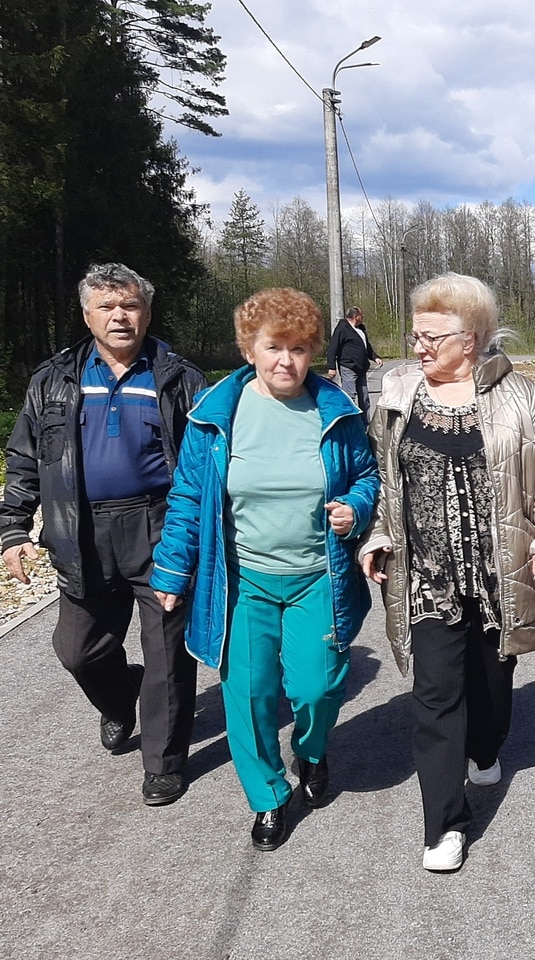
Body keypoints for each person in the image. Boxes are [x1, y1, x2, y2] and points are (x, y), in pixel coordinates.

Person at [358, 272, 535, 872]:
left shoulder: (519, 398)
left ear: (471, 339)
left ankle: (486, 747)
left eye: (434, 336)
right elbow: (384, 485)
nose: (420, 346)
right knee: (434, 697)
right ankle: (444, 825)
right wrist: (377, 535)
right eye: (416, 334)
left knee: (490, 693)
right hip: (426, 580)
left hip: (497, 580)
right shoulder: (397, 399)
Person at [150, 287, 379, 851]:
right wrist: (172, 572)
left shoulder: (337, 413)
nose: (286, 360)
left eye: (299, 348)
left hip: (316, 576)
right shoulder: (215, 417)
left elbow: (367, 475)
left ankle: (313, 749)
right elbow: (186, 498)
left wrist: (357, 507)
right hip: (242, 579)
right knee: (248, 695)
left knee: (317, 686)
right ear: (249, 349)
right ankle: (269, 797)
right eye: (273, 346)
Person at [0, 262, 205, 807]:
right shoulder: (53, 379)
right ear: (87, 315)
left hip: (160, 523)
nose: (120, 316)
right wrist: (14, 527)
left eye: (130, 305)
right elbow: (25, 458)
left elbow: (209, 460)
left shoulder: (178, 377)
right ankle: (117, 700)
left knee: (166, 651)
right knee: (78, 650)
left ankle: (163, 763)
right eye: (108, 307)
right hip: (80, 528)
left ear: (147, 311)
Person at [326, 305, 382, 419]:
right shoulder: (342, 328)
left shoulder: (361, 328)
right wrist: (331, 367)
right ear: (356, 316)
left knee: (364, 398)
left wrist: (375, 357)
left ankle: (365, 423)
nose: (363, 317)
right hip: (348, 367)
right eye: (362, 315)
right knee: (350, 396)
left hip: (361, 368)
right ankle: (350, 422)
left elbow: (367, 346)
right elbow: (333, 347)